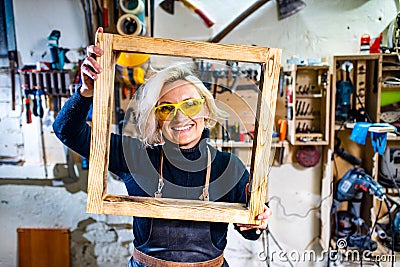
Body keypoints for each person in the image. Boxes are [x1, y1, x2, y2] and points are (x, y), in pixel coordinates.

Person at [53, 28, 272, 267]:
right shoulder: (136, 157)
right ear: (156, 119)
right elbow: (67, 131)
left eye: (190, 104)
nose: (179, 118)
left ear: (206, 109)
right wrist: (86, 92)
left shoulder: (229, 167)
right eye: (166, 108)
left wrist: (257, 218)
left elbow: (251, 231)